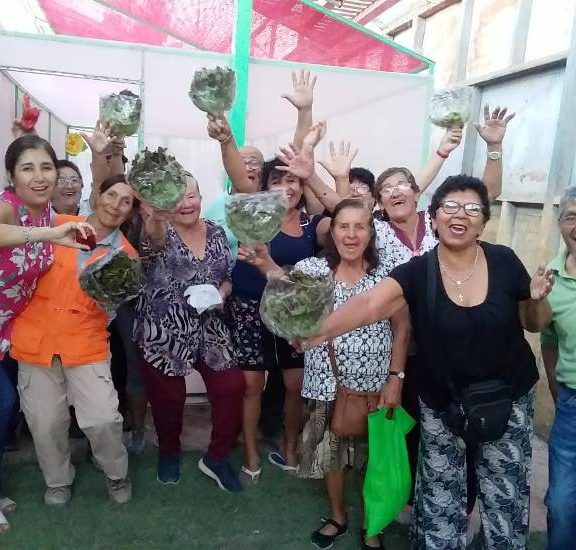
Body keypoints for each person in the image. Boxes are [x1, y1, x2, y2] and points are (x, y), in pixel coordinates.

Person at [300, 176, 553, 549]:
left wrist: (535, 299)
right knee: (439, 498)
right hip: (442, 402)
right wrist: (321, 330)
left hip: (507, 399)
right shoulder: (418, 270)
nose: (460, 215)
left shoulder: (503, 260)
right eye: (449, 207)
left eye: (472, 209)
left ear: (483, 221)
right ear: (432, 219)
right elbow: (371, 304)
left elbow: (534, 322)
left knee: (504, 498)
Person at [242, 199, 410, 549]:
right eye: (343, 226)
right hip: (324, 381)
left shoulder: (389, 273)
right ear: (331, 232)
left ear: (371, 231)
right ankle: (338, 516)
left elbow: (402, 326)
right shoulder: (314, 270)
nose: (351, 234)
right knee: (330, 454)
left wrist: (396, 377)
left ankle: (373, 526)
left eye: (359, 226)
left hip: (376, 385)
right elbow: (287, 294)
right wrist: (266, 264)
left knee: (371, 460)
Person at [9, 176, 137, 507]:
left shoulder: (126, 256)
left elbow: (111, 305)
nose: (115, 204)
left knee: (103, 417)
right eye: (111, 195)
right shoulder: (59, 225)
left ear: (131, 211)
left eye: (126, 201)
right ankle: (58, 480)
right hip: (36, 341)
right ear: (97, 194)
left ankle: (115, 473)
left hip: (86, 343)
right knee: (45, 421)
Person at [0, 135, 92, 531]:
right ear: (12, 176)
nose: (39, 177)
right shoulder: (10, 206)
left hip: (8, 329)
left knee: (7, 409)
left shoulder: (48, 214)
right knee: (3, 406)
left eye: (46, 167)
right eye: (27, 168)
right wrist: (50, 236)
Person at [135, 176, 245, 492]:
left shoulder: (217, 230)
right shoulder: (157, 230)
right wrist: (155, 212)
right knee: (169, 398)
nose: (186, 203)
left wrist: (221, 293)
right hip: (163, 328)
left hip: (209, 325)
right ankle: (169, 451)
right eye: (178, 197)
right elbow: (152, 239)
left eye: (193, 195)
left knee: (231, 385)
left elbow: (227, 277)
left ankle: (217, 457)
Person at [541, 186, 576, 550]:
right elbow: (548, 343)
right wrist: (556, 389)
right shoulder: (550, 278)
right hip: (572, 406)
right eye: (571, 216)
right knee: (563, 503)